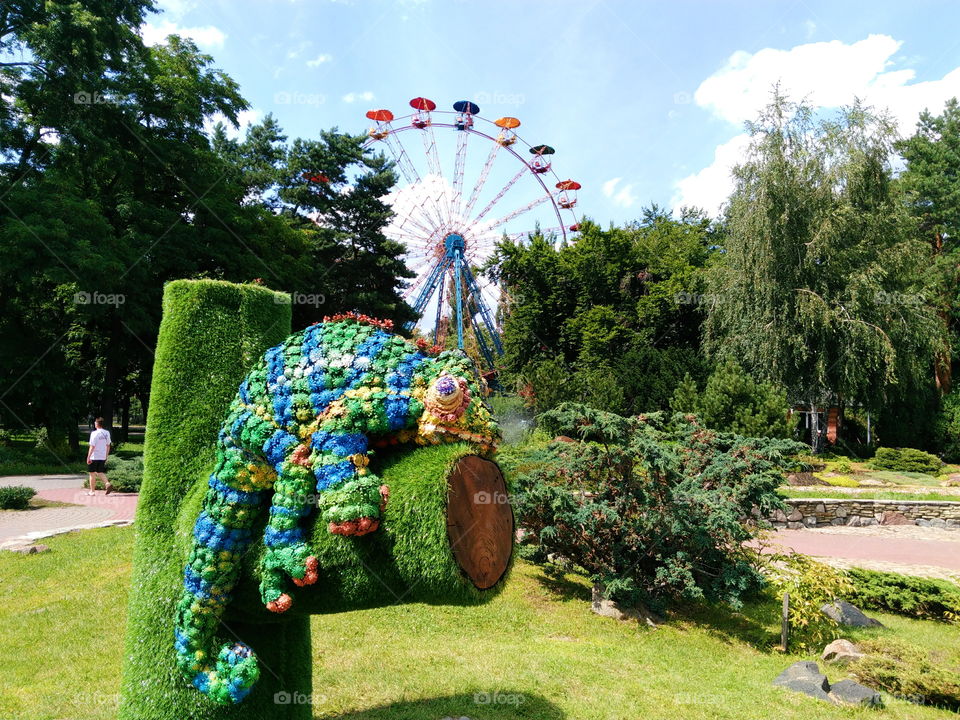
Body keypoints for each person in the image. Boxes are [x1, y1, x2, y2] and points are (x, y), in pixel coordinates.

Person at [86, 417, 113, 496]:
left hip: (94, 456)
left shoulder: (94, 433)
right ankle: (107, 483)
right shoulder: (107, 433)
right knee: (100, 472)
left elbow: (92, 446)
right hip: (102, 456)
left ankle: (92, 491)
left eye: (95, 422)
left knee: (92, 473)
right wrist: (106, 456)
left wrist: (88, 457)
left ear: (97, 424)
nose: (94, 423)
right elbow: (108, 445)